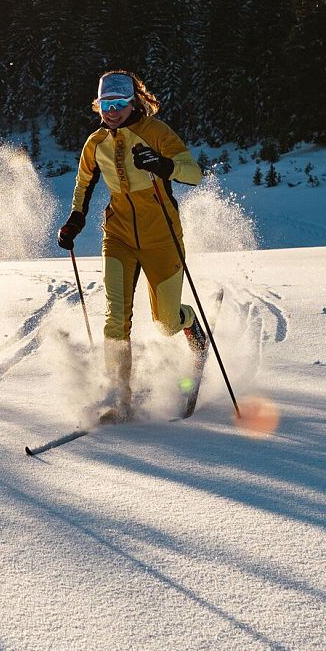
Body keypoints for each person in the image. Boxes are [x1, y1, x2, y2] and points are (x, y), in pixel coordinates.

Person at [56, 69, 208, 422]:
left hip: (162, 238)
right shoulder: (95, 144)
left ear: (132, 102)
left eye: (119, 103)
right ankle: (119, 398)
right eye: (105, 104)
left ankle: (192, 327)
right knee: (115, 319)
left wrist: (163, 164)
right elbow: (83, 185)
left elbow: (193, 173)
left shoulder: (155, 132)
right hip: (119, 236)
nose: (112, 111)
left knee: (166, 322)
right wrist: (75, 220)